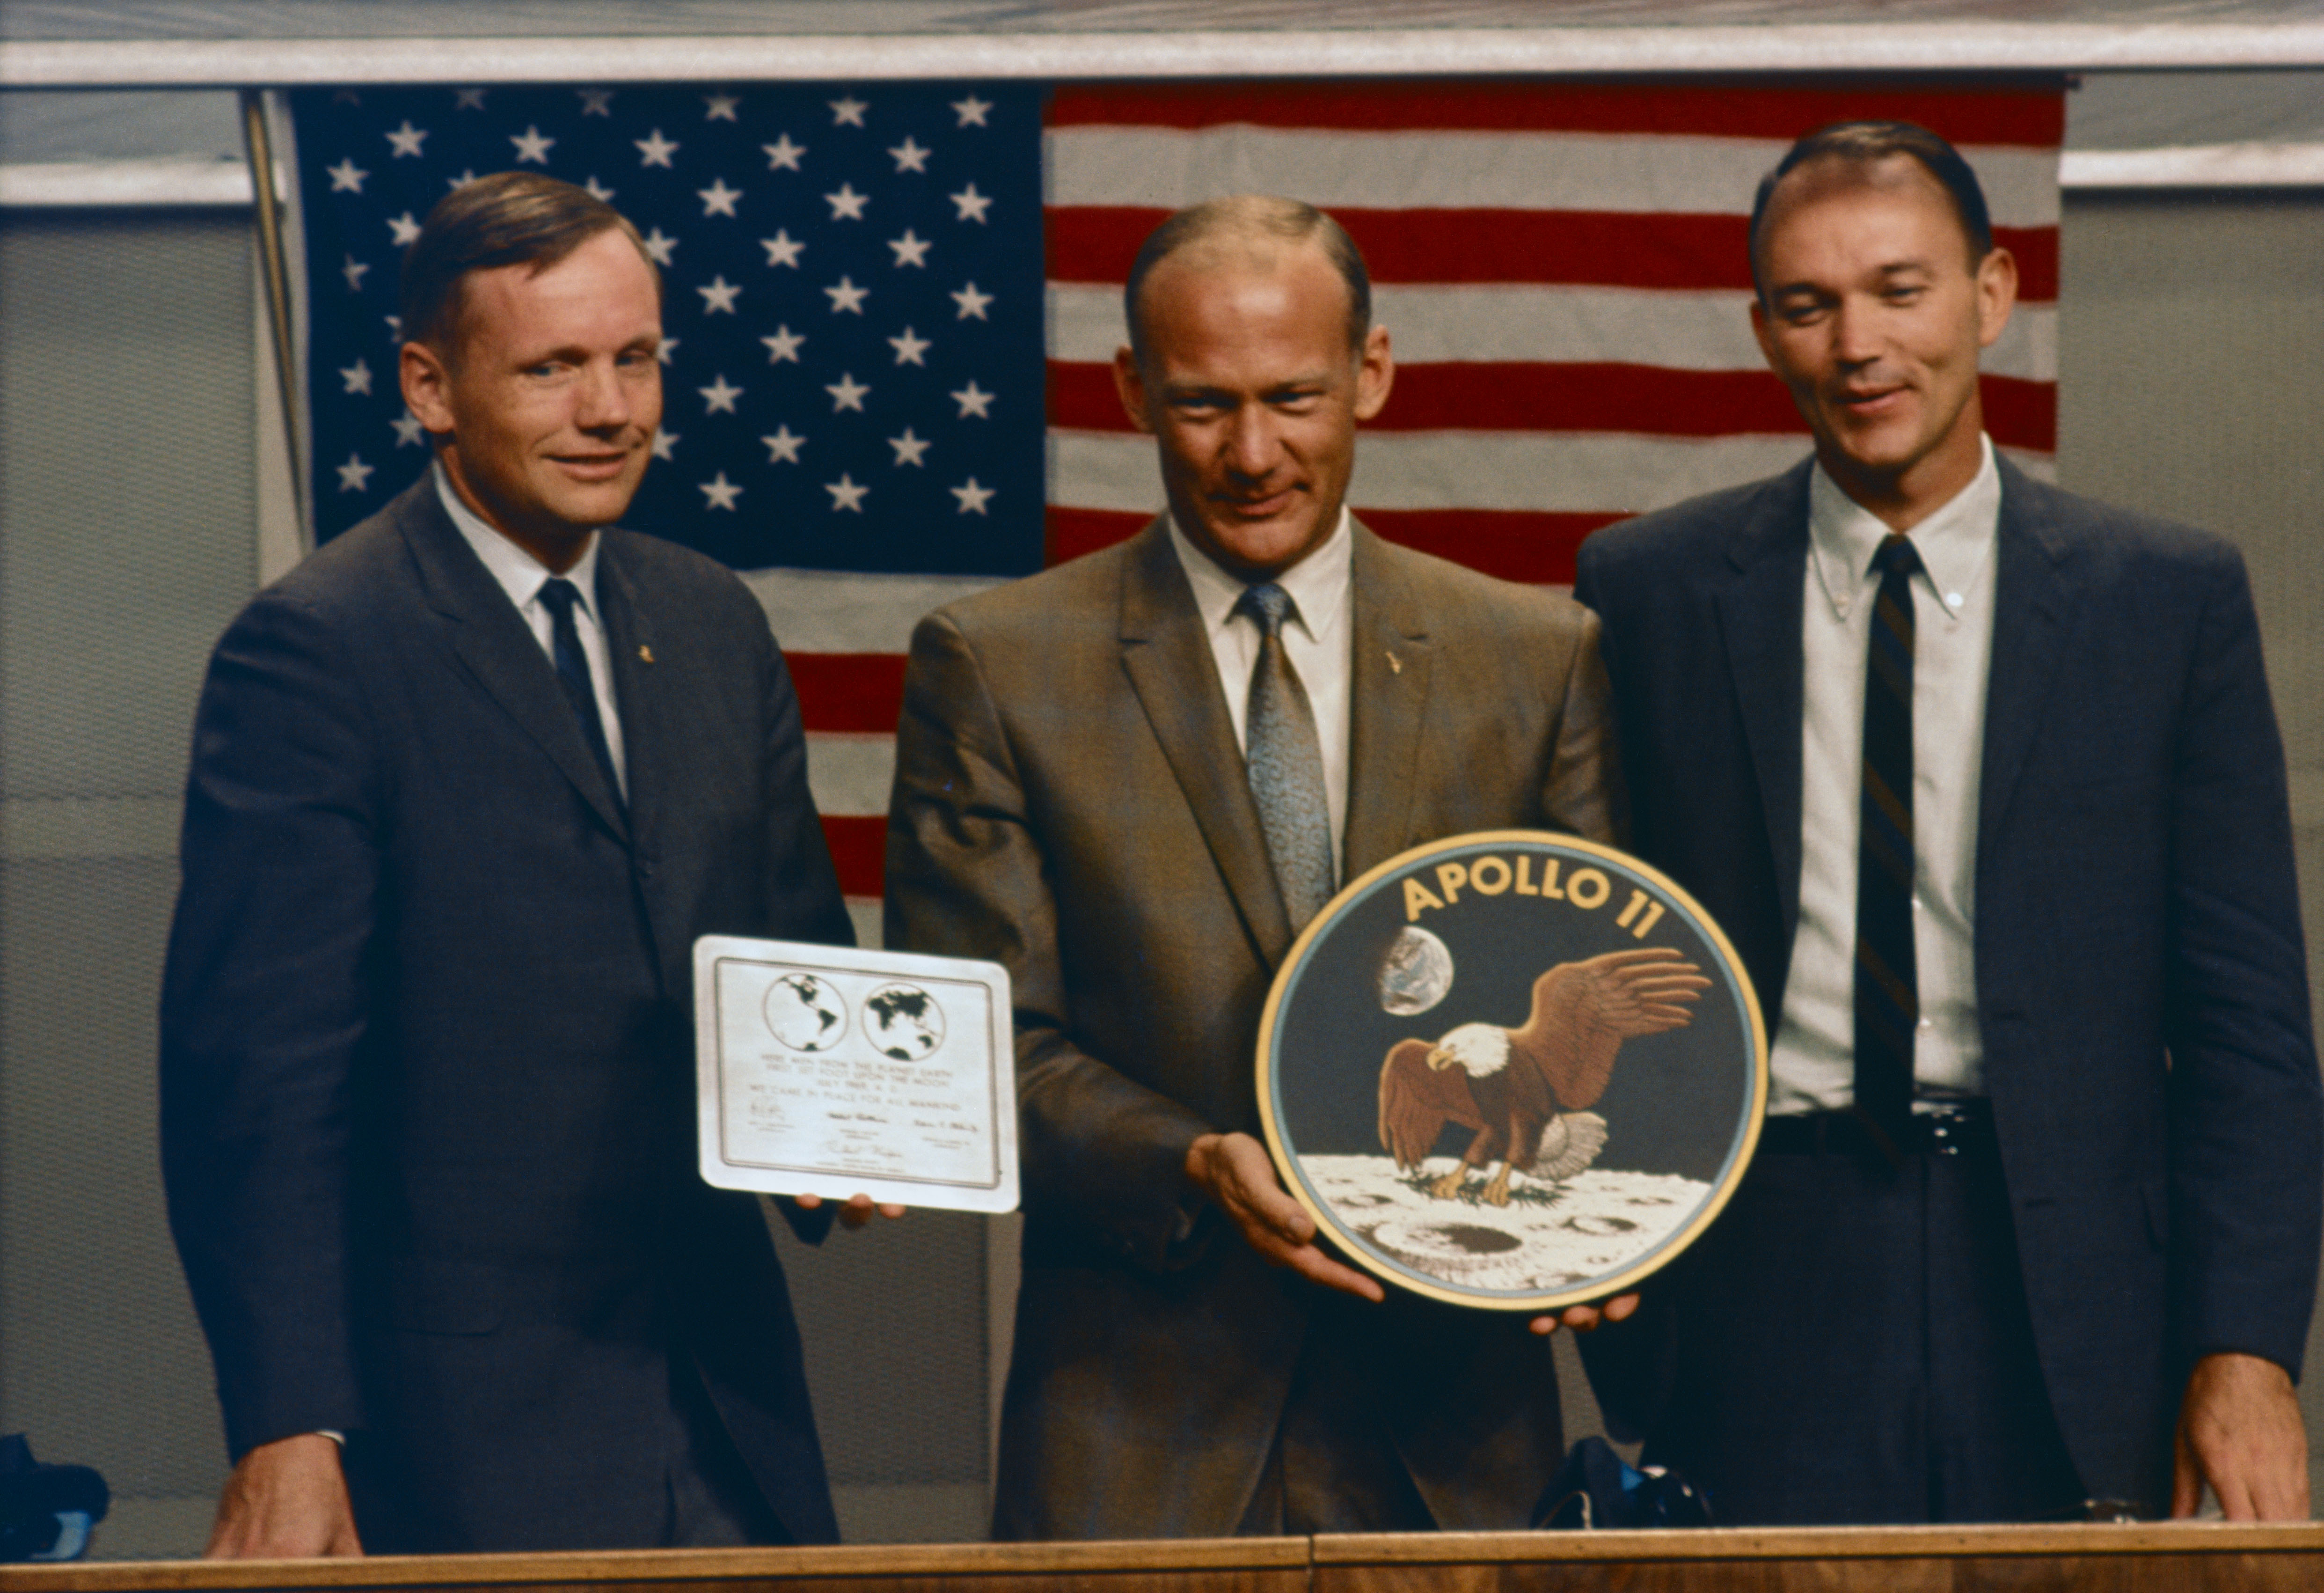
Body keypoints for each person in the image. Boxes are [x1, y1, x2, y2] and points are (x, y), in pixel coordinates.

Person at [1573, 121, 2321, 1525]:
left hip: (2074, 1285)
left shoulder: (2164, 599)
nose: (1860, 343)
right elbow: (1578, 934)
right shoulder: (1647, 590)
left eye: (1901, 290)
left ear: (1992, 293)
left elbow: (2249, 1035)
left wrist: (2248, 1347)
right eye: (1810, 304)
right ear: (1763, 330)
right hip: (1758, 1269)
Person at [161, 172, 884, 1556]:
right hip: (457, 1433)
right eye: (552, 368)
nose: (610, 410)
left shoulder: (712, 617)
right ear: (430, 387)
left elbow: (795, 957)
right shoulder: (318, 648)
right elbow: (259, 1081)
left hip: (731, 1414)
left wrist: (834, 1131)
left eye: (635, 359)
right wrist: (286, 1422)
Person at [884, 195, 1625, 1540]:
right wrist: (1196, 1162)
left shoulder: (1535, 654)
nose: (1252, 451)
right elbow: (977, 1044)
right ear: (1130, 392)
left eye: (1294, 396)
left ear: (1373, 374)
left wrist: (1619, 1205)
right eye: (1202, 405)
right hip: (1137, 1421)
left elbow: (1595, 987)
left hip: (1454, 1429)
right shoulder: (997, 664)